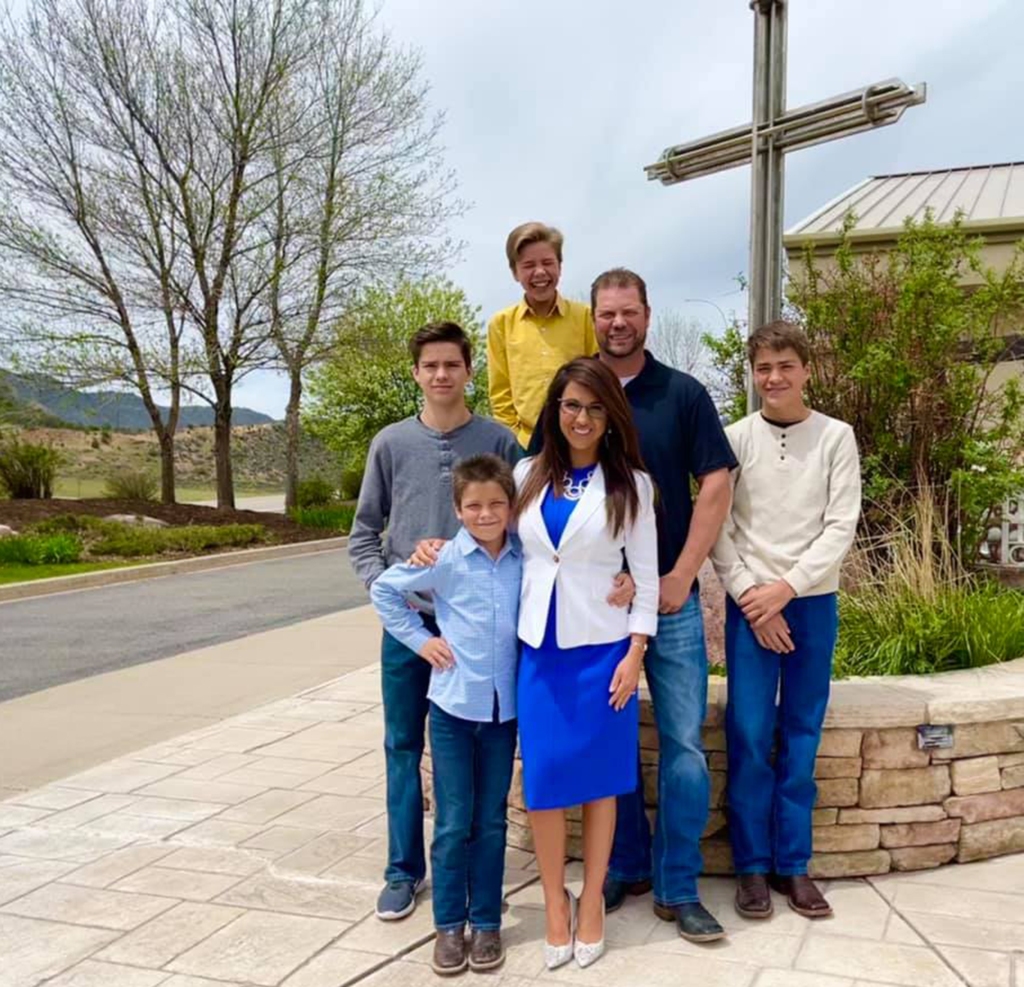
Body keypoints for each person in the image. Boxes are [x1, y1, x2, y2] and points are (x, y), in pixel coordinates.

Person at [530, 269, 736, 942]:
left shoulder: (682, 394)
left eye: (628, 311)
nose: (617, 322)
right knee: (600, 743)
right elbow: (541, 495)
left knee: (682, 747)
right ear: (593, 318)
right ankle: (622, 866)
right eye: (606, 313)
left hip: (668, 602)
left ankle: (679, 884)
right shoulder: (574, 392)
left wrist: (679, 574)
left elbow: (715, 483)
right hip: (592, 620)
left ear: (647, 314)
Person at [348, 321, 520, 923]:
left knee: (472, 751)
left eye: (452, 364)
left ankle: (473, 872)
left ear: (469, 370)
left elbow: (530, 526)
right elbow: (364, 533)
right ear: (417, 373)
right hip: (412, 629)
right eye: (430, 366)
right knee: (402, 745)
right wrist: (388, 589)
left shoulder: (499, 442)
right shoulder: (390, 444)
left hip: (475, 637)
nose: (442, 375)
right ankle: (403, 870)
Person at [711, 320, 861, 921]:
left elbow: (840, 524)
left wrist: (787, 590)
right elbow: (718, 526)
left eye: (784, 366)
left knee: (801, 731)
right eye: (763, 368)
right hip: (750, 607)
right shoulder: (735, 438)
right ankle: (750, 866)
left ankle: (793, 865)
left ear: (805, 369)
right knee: (748, 734)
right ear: (753, 374)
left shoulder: (835, 437)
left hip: (811, 601)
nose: (773, 378)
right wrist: (754, 596)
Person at [515, 357, 658, 970]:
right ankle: (554, 903)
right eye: (572, 405)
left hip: (603, 652)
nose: (581, 417)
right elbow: (501, 551)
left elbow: (646, 579)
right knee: (544, 785)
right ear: (555, 409)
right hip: (538, 652)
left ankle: (593, 899)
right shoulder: (524, 474)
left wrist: (635, 654)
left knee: (601, 785)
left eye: (595, 407)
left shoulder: (633, 486)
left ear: (611, 417)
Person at [370, 454, 521, 975]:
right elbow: (385, 590)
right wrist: (422, 640)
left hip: (505, 713)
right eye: (474, 506)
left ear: (511, 506)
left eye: (496, 504)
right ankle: (449, 926)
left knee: (492, 819)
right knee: (454, 821)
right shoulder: (445, 560)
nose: (485, 514)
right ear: (457, 509)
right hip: (455, 708)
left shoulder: (525, 558)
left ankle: (486, 924)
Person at [487, 221, 597, 447]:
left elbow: (598, 382)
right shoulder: (501, 324)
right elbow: (500, 394)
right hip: (525, 444)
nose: (540, 272)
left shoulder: (586, 318)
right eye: (528, 265)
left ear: (560, 266)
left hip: (581, 439)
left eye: (548, 263)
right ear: (515, 272)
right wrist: (516, 439)